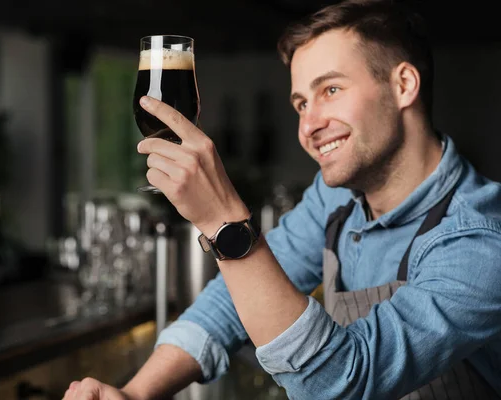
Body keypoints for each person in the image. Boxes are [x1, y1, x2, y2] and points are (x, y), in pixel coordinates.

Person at [62, 0, 501, 398]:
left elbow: (346, 380)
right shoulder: (336, 202)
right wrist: (136, 394)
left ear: (404, 84)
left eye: (330, 90)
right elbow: (229, 305)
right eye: (300, 104)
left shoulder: (479, 240)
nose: (309, 125)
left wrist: (225, 222)